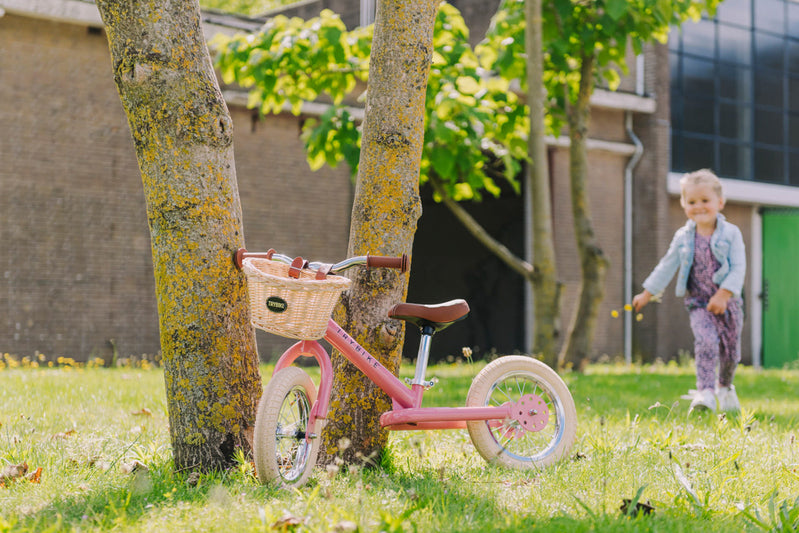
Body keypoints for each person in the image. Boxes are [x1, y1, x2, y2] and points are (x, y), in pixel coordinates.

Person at [633, 169, 746, 413]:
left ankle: (725, 387)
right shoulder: (683, 238)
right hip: (699, 304)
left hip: (729, 305)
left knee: (730, 352)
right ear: (684, 205)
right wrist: (647, 293)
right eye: (691, 202)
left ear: (720, 202)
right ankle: (705, 392)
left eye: (705, 201)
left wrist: (724, 294)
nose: (699, 207)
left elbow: (739, 267)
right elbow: (667, 265)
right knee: (705, 341)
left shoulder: (731, 234)